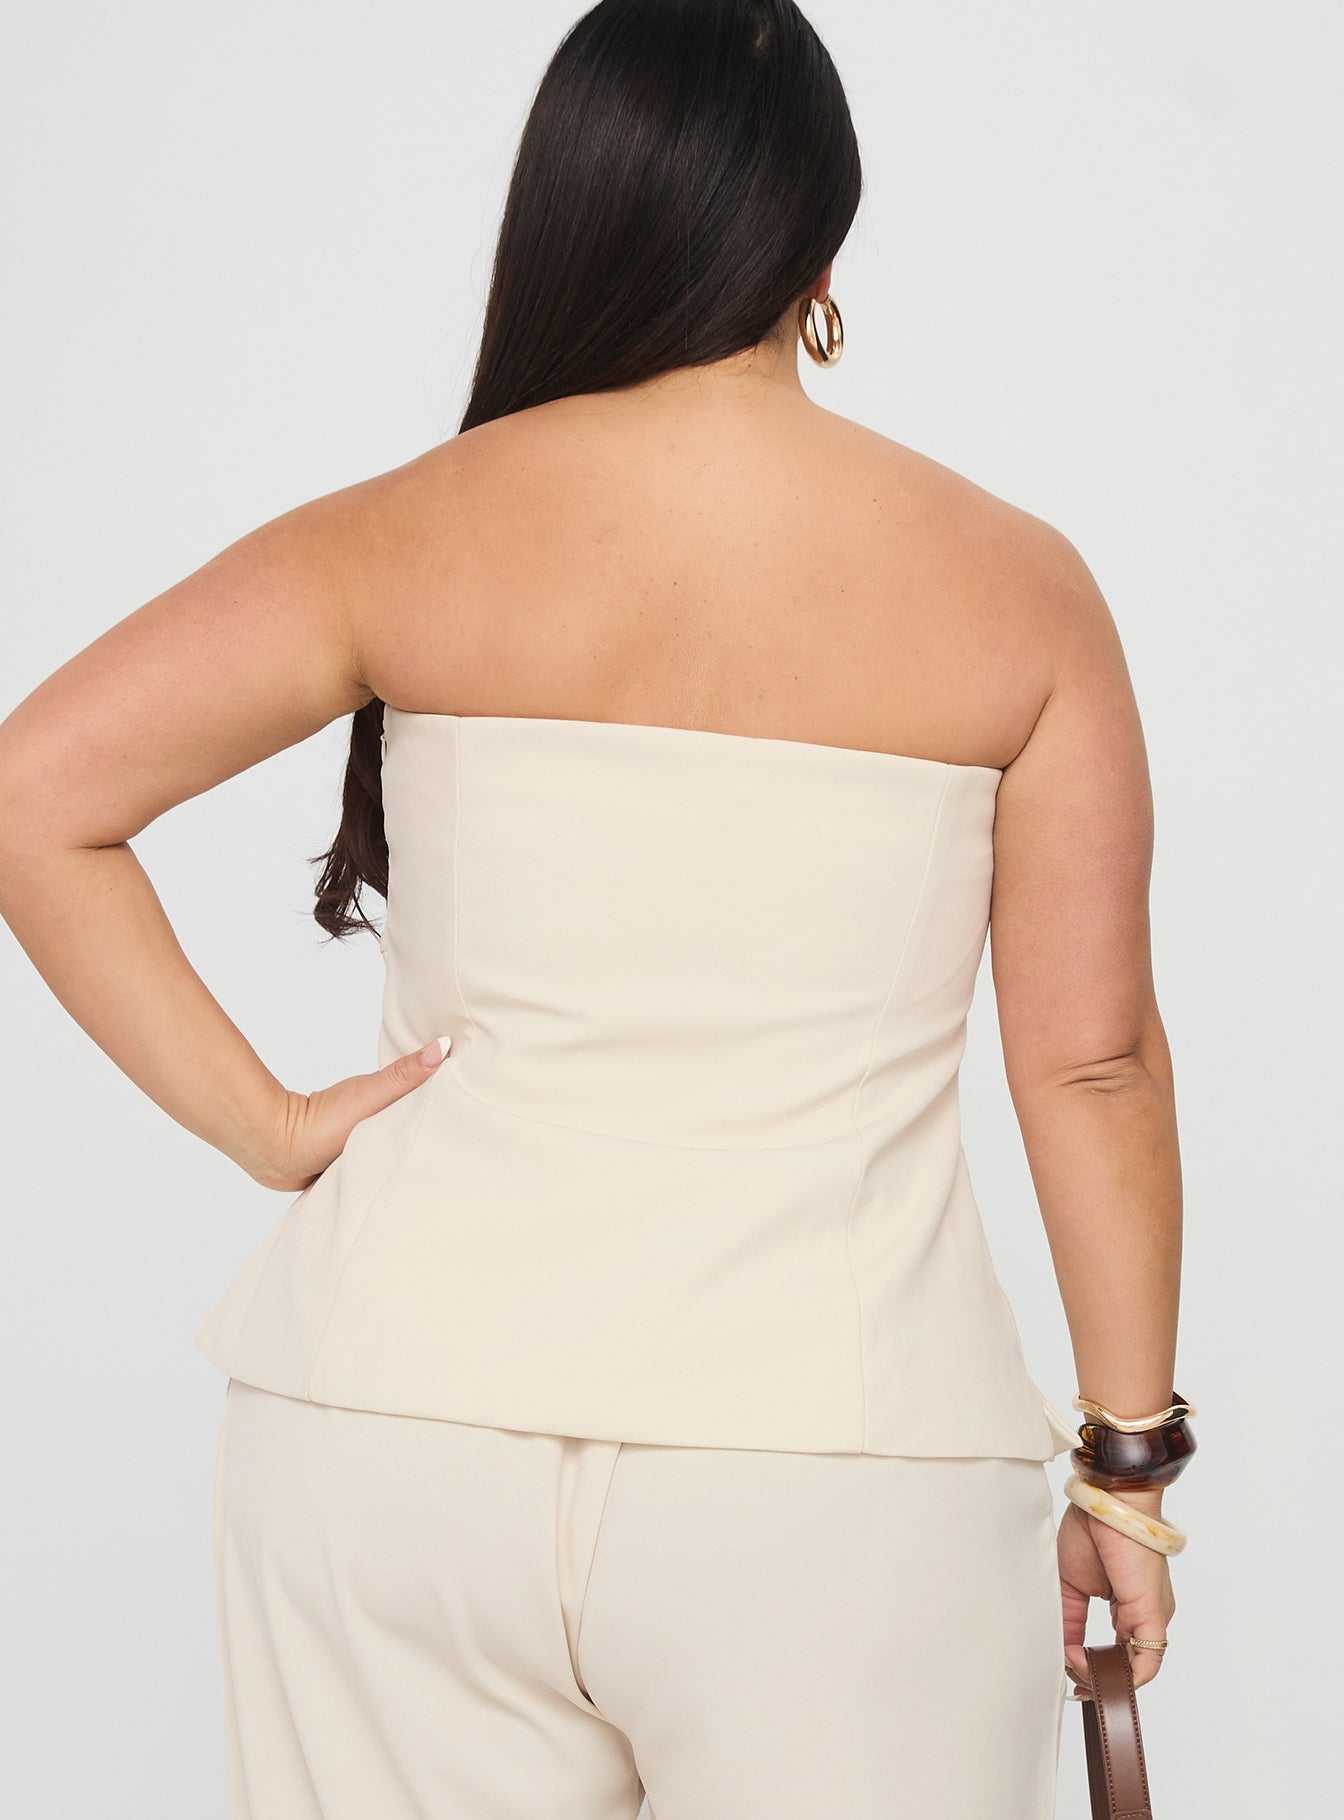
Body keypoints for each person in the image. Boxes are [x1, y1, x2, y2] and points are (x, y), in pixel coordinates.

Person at [0, 2, 1192, 1815]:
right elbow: (1091, 1064)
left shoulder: (406, 531)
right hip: (831, 1463)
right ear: (821, 242)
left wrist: (271, 1129)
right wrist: (1126, 1470)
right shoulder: (1016, 590)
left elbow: (36, 793)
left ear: (572, 208)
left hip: (390, 1431)